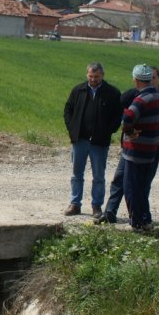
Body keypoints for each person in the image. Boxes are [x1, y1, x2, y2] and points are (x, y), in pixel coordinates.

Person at [97, 66, 159, 224]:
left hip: (150, 149)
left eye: (154, 77)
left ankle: (141, 220)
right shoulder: (133, 95)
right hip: (130, 149)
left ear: (158, 79)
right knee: (119, 181)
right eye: (149, 77)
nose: (151, 80)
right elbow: (119, 110)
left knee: (140, 185)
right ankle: (110, 212)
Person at [63, 62, 122, 218]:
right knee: (77, 174)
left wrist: (109, 130)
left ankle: (96, 206)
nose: (93, 79)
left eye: (96, 76)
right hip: (80, 140)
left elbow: (118, 115)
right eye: (90, 76)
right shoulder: (78, 90)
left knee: (98, 176)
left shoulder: (112, 93)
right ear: (86, 74)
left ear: (102, 75)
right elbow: (68, 110)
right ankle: (75, 204)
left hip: (99, 142)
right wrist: (72, 129)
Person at [121, 64, 159, 231]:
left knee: (131, 187)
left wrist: (130, 131)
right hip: (150, 150)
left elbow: (127, 118)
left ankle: (136, 223)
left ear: (136, 79)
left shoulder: (141, 99)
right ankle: (145, 221)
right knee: (141, 188)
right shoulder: (158, 97)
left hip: (136, 151)